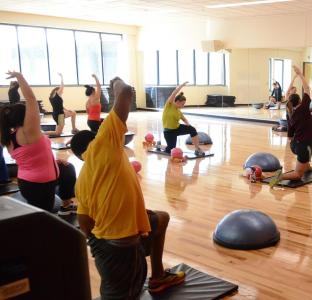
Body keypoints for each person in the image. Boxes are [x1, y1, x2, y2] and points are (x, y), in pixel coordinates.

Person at [70, 77, 186, 299]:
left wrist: (100, 246)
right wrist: (115, 83)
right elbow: (124, 92)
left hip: (109, 244)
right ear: (95, 139)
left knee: (160, 218)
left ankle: (159, 276)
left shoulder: (82, 180)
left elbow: (84, 221)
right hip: (121, 248)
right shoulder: (103, 144)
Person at [1, 71, 77, 214]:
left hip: (31, 181)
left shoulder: (8, 135)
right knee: (44, 219)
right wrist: (19, 77)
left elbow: (34, 156)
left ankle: (66, 205)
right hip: (39, 185)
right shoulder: (27, 132)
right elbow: (31, 99)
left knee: (68, 169)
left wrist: (54, 162)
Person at [269, 66, 312, 187]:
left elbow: (289, 136)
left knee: (305, 155)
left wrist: (295, 77)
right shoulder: (304, 108)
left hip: (293, 145)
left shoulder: (289, 112)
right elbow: (307, 88)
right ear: (300, 101)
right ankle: (280, 177)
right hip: (303, 145)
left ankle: (307, 166)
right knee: (297, 175)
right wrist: (300, 74)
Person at [161, 82, 203, 155]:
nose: (183, 106)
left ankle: (197, 149)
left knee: (192, 129)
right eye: (182, 104)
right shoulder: (169, 105)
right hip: (168, 132)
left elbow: (184, 119)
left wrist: (187, 124)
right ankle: (160, 146)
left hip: (177, 129)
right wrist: (181, 86)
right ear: (177, 101)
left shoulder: (178, 111)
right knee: (170, 149)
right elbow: (173, 93)